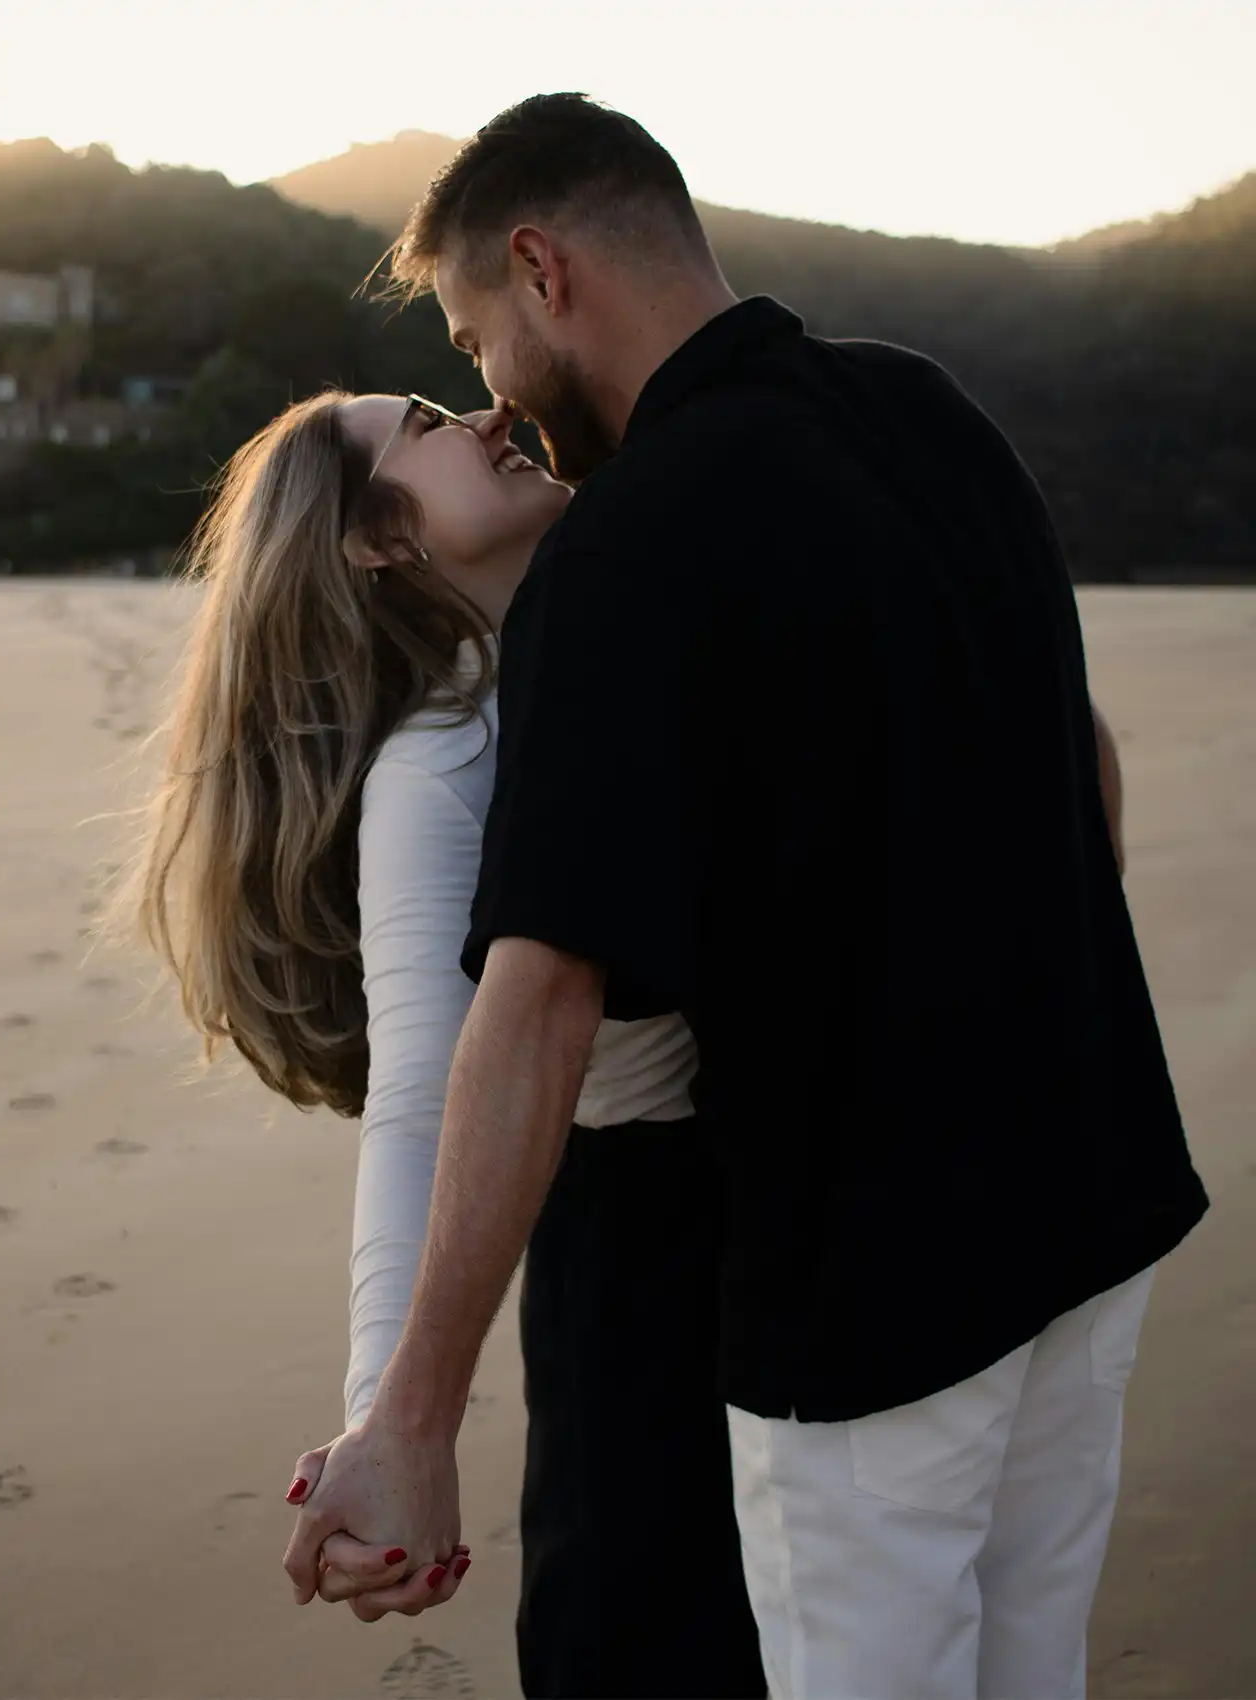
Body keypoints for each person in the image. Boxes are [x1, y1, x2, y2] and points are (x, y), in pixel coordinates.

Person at [282, 95, 1209, 1699]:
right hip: (1096, 1207)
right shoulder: (929, 409)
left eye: (472, 335)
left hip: (880, 1301)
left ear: (541, 270)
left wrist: (414, 1418)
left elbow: (539, 997)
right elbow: (1090, 773)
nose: (493, 392)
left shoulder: (628, 547)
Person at [122, 386, 765, 1698]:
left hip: (774, 1215)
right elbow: (423, 1094)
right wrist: (386, 1419)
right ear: (378, 542)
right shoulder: (450, 747)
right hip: (652, 1260)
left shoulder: (616, 637)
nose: (483, 411)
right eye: (423, 420)